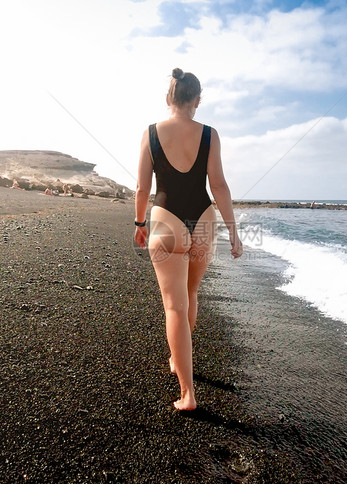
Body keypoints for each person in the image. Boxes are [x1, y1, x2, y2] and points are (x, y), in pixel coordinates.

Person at [134, 67, 243, 411]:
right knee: (190, 294)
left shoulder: (151, 133)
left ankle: (187, 394)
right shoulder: (210, 134)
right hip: (204, 221)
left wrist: (139, 222)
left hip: (166, 221)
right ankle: (179, 361)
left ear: (169, 98)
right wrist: (234, 231)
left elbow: (142, 188)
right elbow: (219, 186)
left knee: (173, 307)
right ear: (197, 101)